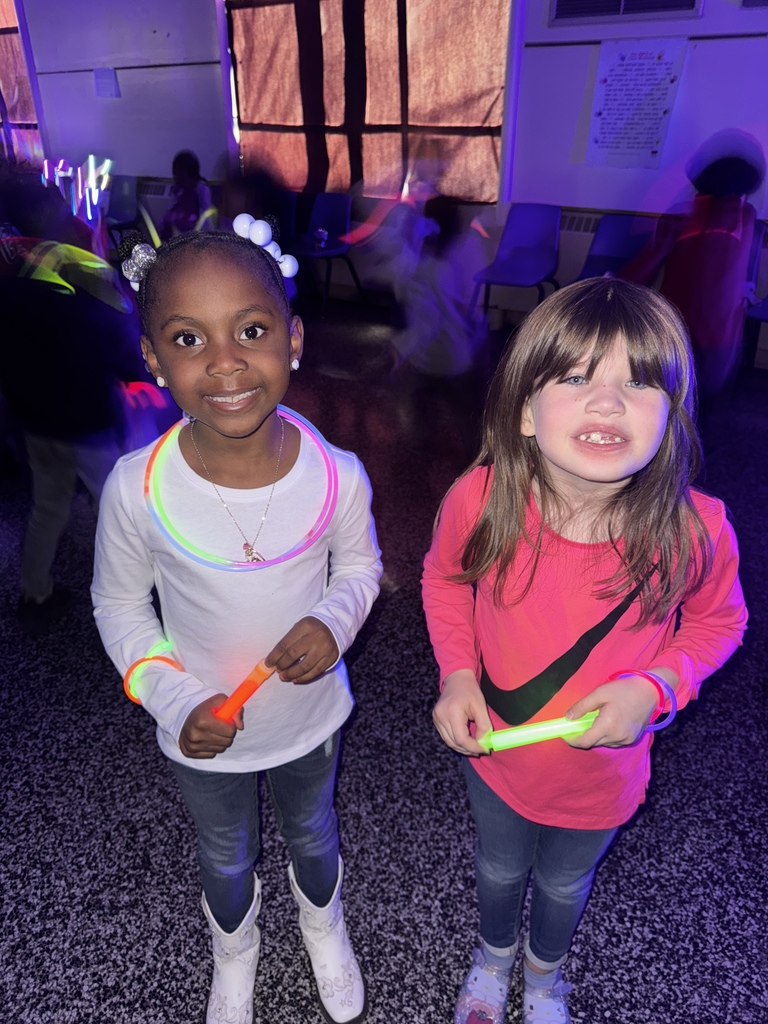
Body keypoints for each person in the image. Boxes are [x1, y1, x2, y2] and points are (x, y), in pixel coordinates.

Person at [421, 277, 747, 1024]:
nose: (608, 402)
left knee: (566, 885)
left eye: (638, 382)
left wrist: (657, 687)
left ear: (672, 414)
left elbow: (717, 624)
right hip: (499, 754)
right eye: (575, 377)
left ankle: (543, 976)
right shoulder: (481, 497)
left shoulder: (698, 530)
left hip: (603, 777)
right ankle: (494, 956)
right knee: (499, 867)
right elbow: (444, 582)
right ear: (526, 412)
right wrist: (458, 675)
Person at [90, 228, 381, 1024]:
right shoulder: (135, 489)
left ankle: (324, 926)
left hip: (309, 719)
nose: (223, 361)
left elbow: (359, 572)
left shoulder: (337, 475)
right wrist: (174, 700)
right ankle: (235, 951)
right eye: (189, 339)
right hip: (200, 734)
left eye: (250, 331)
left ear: (291, 339)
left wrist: (333, 618)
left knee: (314, 830)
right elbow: (118, 607)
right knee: (225, 853)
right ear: (153, 358)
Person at [160, 150, 215, 239]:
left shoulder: (201, 189)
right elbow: (170, 209)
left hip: (194, 234)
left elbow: (206, 216)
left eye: (182, 178)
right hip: (177, 233)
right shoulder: (178, 189)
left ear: (192, 176)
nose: (178, 181)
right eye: (176, 177)